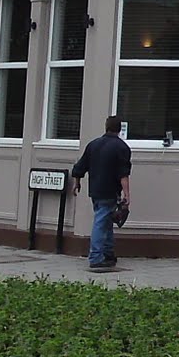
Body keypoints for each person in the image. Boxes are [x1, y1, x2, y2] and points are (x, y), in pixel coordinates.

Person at [71, 115, 132, 272]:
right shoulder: (121, 147)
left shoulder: (93, 145)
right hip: (110, 190)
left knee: (106, 222)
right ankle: (96, 257)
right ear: (120, 129)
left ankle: (108, 254)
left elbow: (80, 167)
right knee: (101, 221)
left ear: (106, 127)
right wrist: (127, 195)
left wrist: (77, 183)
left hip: (95, 190)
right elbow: (123, 174)